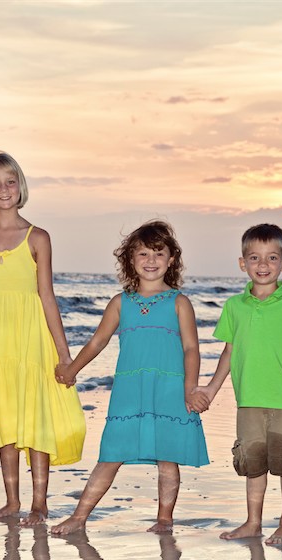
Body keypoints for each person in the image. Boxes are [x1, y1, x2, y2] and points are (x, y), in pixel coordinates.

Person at [50, 220, 210, 536]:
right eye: (143, 254)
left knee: (167, 457)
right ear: (130, 260)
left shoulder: (179, 302)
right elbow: (97, 341)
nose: (151, 261)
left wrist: (190, 387)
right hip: (129, 390)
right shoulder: (120, 303)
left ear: (171, 259)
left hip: (169, 388)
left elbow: (192, 348)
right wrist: (72, 369)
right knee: (111, 454)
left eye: (158, 253)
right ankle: (79, 516)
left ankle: (165, 519)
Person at [0, 152, 85, 526]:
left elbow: (47, 295)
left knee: (36, 419)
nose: (3, 190)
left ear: (21, 186)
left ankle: (39, 504)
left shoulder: (37, 238)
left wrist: (65, 356)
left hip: (33, 342)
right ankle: (12, 501)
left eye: (10, 181)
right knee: (7, 420)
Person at [196, 223, 282, 545]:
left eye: (271, 258)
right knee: (252, 463)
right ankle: (253, 522)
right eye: (254, 258)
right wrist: (211, 388)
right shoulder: (234, 307)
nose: (263, 265)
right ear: (242, 263)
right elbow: (230, 350)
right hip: (248, 400)